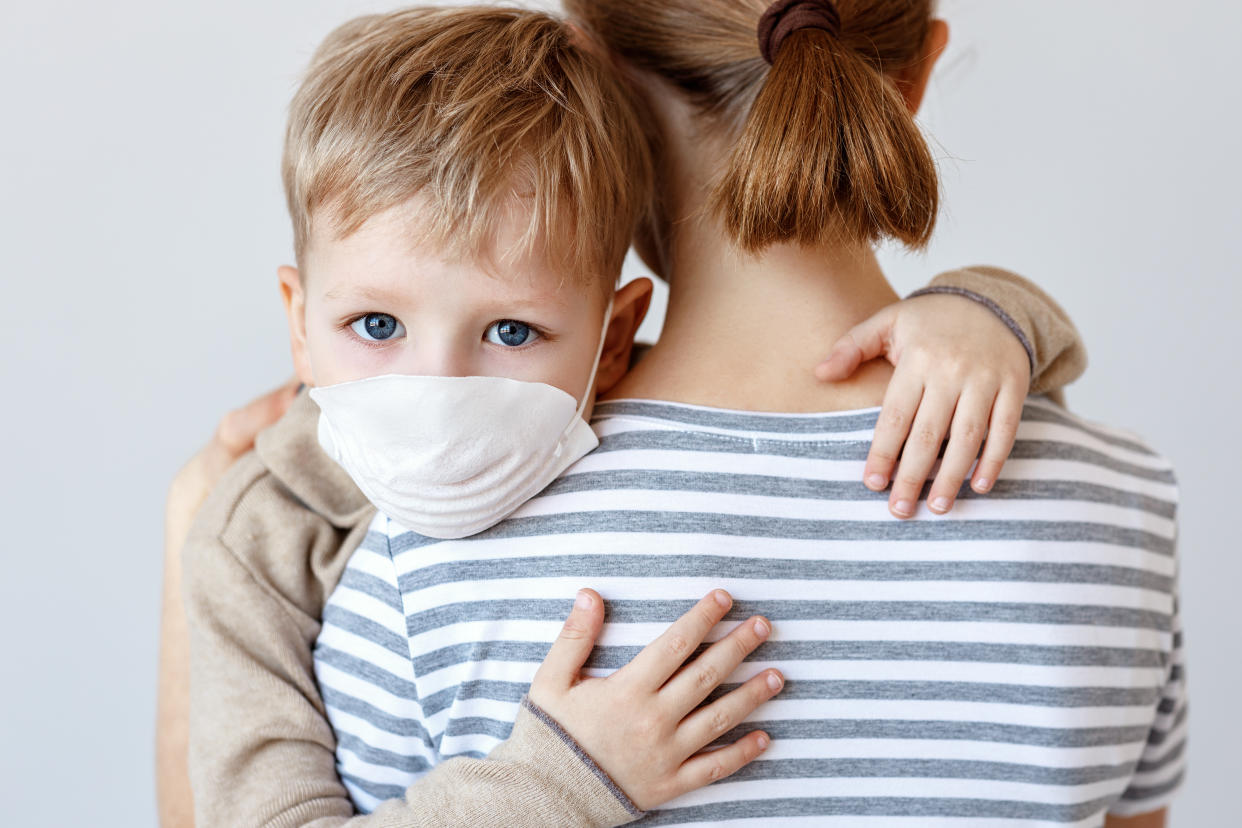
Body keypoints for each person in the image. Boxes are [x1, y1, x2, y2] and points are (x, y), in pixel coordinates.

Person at [158, 4, 1092, 828]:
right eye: (374, 325)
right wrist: (557, 784)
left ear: (612, 339)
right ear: (297, 317)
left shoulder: (422, 546)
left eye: (512, 332)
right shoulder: (259, 532)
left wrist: (994, 309)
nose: (438, 389)